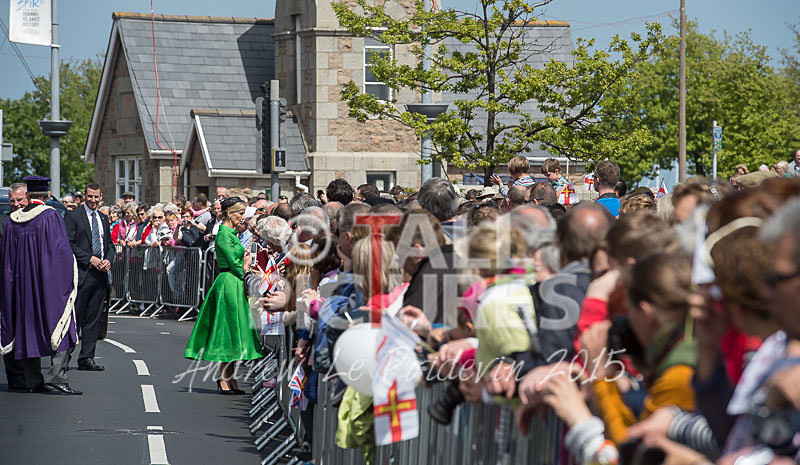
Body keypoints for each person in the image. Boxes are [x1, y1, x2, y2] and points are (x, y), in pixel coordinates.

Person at [0, 176, 80, 394]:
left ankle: (32, 380)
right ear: (47, 195)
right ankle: (57, 376)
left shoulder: (12, 222)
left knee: (26, 329)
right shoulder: (51, 216)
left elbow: (7, 261)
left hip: (22, 288)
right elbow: (60, 253)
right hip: (46, 284)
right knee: (63, 324)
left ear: (28, 195)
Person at [184, 197, 264, 394]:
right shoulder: (224, 235)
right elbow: (234, 263)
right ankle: (223, 378)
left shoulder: (231, 234)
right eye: (240, 213)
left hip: (234, 283)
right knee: (227, 330)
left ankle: (229, 377)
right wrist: (247, 267)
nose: (243, 217)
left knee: (235, 330)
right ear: (230, 213)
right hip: (229, 283)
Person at [64, 182, 115, 372]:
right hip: (82, 273)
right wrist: (89, 259)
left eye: (96, 197)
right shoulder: (73, 216)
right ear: (85, 196)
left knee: (94, 318)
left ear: (101, 197)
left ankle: (87, 358)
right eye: (90, 196)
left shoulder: (103, 218)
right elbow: (69, 243)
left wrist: (108, 260)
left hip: (99, 275)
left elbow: (109, 244)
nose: (93, 200)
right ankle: (64, 359)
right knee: (75, 318)